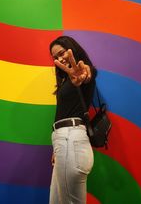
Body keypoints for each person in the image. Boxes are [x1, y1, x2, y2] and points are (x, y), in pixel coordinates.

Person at [49, 36, 97, 204]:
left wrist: (84, 74)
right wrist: (56, 148)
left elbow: (87, 75)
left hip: (71, 140)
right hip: (64, 144)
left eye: (61, 53)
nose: (59, 59)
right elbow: (62, 112)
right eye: (55, 57)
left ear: (71, 48)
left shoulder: (82, 71)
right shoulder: (65, 80)